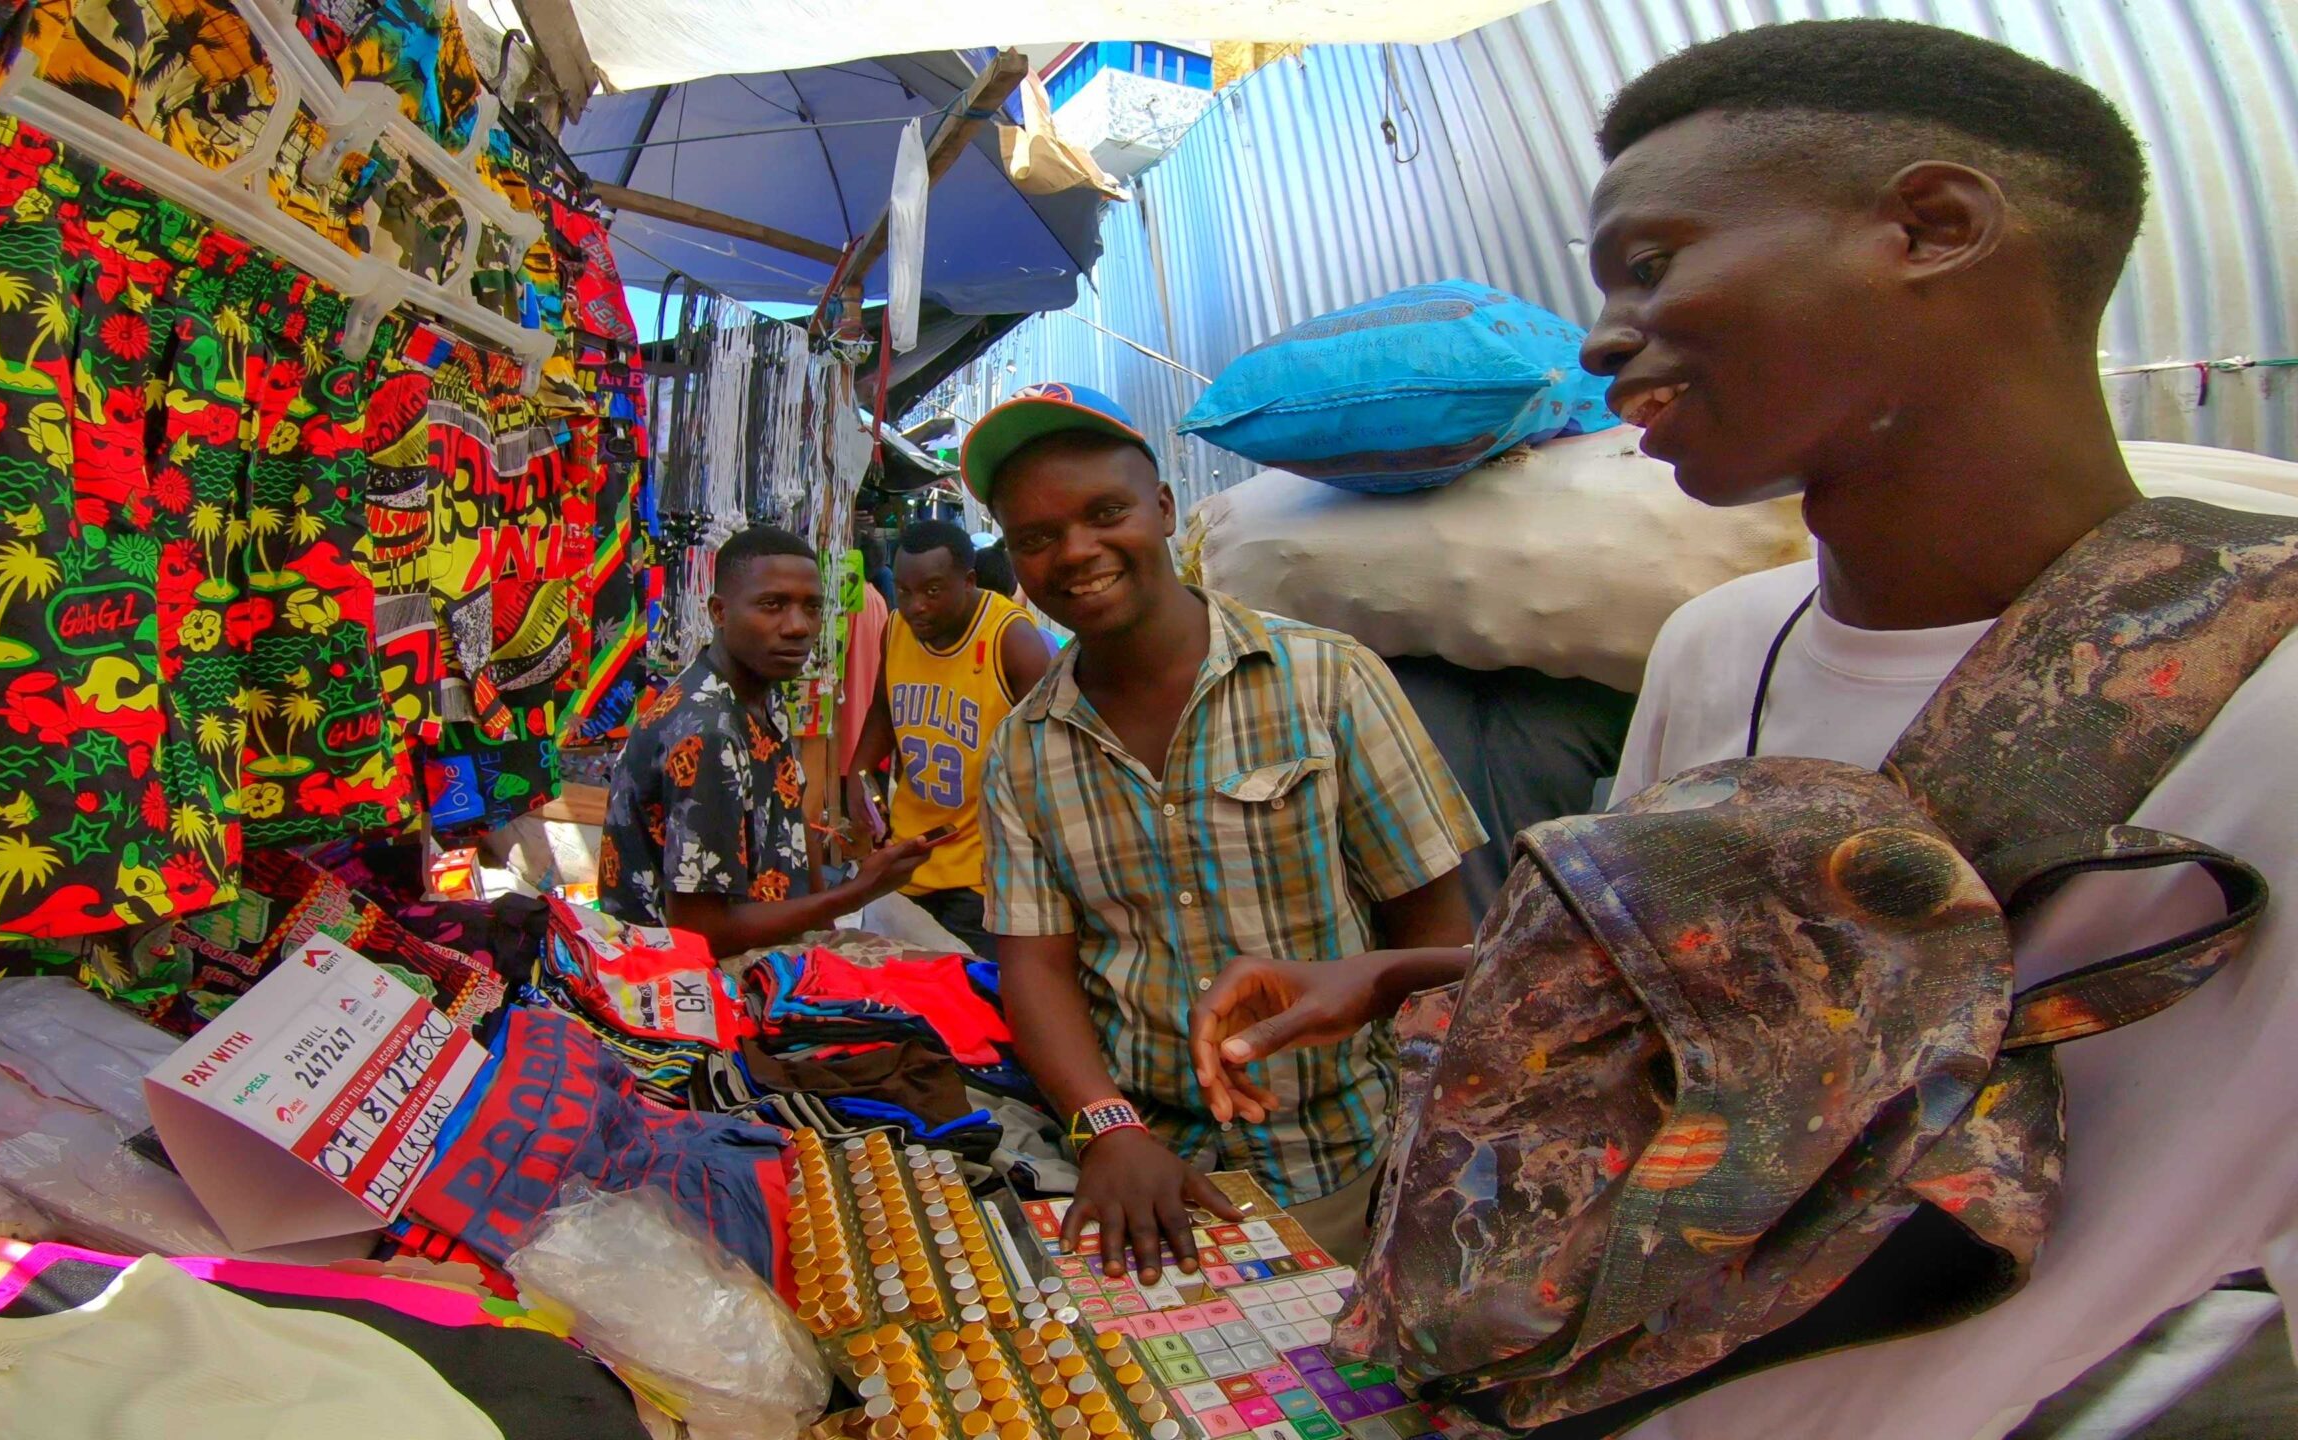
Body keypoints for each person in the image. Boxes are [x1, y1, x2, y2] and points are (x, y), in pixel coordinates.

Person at [1191, 20, 2298, 1440]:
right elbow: (1737, 1006)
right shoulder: (1720, 647)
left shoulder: (2267, 701)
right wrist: (1426, 968)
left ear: (1933, 227)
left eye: (1650, 265)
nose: (1599, 338)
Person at [968, 382, 1484, 1279]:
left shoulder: (1326, 680)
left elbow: (1444, 935)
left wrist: (1425, 1117)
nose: (1077, 552)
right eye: (1037, 538)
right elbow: (1035, 965)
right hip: (1150, 1184)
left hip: (1351, 1171)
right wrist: (1107, 1128)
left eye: (1104, 513)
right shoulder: (1022, 750)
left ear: (1164, 508)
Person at [599, 526, 941, 955]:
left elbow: (793, 821)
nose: (798, 627)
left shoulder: (761, 690)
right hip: (685, 977)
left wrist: (826, 935)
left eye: (811, 607)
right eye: (772, 605)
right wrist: (857, 891)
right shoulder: (707, 732)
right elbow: (702, 932)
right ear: (719, 612)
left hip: (771, 949)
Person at [843, 519, 1053, 959]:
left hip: (980, 879)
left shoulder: (1011, 640)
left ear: (969, 582)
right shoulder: (897, 628)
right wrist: (857, 775)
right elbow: (884, 707)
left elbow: (1051, 761)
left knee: (975, 1002)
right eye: (904, 591)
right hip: (908, 862)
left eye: (933, 592)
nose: (916, 606)